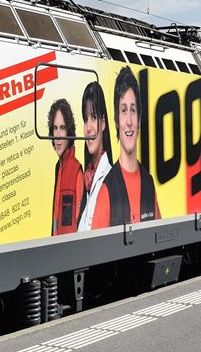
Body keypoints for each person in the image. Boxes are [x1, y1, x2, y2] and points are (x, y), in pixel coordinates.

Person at [89, 67, 159, 228]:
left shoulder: (149, 184)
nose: (128, 121)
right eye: (123, 110)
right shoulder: (107, 189)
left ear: (139, 119)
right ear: (116, 121)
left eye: (133, 110)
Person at [76, 80, 113, 231]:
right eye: (85, 119)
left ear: (103, 123)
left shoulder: (111, 178)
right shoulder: (85, 179)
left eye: (94, 117)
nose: (88, 128)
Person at [48, 98, 84, 235]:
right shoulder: (59, 167)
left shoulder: (76, 171)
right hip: (57, 248)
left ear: (69, 131)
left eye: (62, 128)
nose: (57, 136)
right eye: (55, 128)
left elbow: (78, 225)